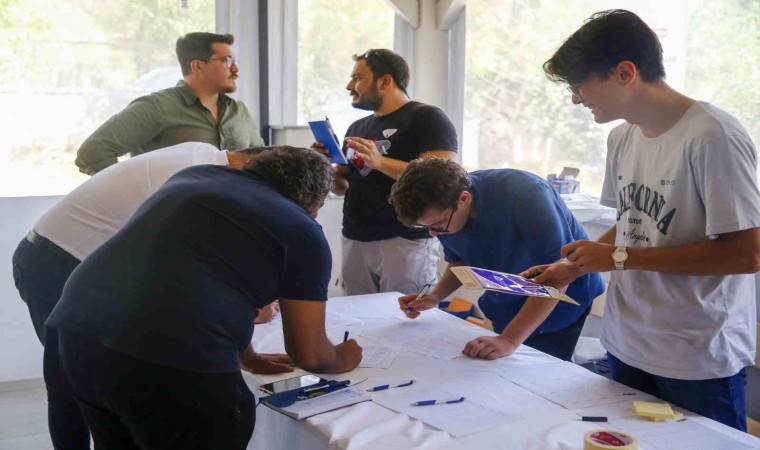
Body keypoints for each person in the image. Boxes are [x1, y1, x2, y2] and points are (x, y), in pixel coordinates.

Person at [528, 9, 760, 431]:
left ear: (625, 73)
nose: (576, 99)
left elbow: (746, 255)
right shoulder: (622, 137)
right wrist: (575, 265)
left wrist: (618, 258)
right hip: (627, 341)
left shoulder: (713, 136)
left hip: (695, 354)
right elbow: (633, 221)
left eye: (580, 85)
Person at [47, 147, 362, 449]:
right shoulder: (301, 229)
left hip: (77, 332)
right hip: (166, 357)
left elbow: (207, 276)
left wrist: (247, 356)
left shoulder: (196, 177)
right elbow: (309, 354)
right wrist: (341, 358)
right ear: (315, 201)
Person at [12, 142, 281, 450]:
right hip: (55, 260)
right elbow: (191, 265)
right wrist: (247, 306)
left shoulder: (205, 157)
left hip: (76, 260)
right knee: (69, 383)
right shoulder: (198, 181)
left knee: (99, 383)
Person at [392, 158, 604, 361]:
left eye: (437, 225)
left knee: (541, 376)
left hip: (559, 301)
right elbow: (459, 260)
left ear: (463, 199)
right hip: (507, 300)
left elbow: (557, 278)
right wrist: (435, 296)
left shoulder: (526, 194)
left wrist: (509, 340)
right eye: (426, 227)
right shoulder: (444, 213)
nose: (433, 233)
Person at [313, 49, 458, 295]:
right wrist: (325, 165)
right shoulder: (357, 127)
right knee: (358, 314)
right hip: (355, 237)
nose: (350, 86)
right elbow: (342, 187)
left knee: (403, 314)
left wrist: (380, 162)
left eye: (358, 78)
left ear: (385, 81)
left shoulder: (427, 117)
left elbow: (442, 178)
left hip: (405, 239)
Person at [75, 32, 264, 175]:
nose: (235, 69)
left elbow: (263, 163)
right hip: (173, 215)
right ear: (197, 66)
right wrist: (130, 195)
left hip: (233, 213)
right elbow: (93, 151)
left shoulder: (239, 112)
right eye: (227, 61)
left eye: (234, 61)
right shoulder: (157, 107)